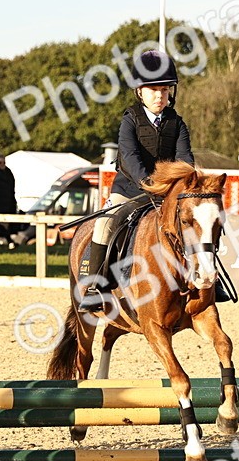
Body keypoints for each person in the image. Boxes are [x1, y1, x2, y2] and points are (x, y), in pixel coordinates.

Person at [78, 49, 194, 311]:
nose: (159, 96)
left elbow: (184, 161)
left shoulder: (178, 124)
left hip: (166, 194)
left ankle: (209, 280)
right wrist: (149, 184)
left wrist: (170, 188)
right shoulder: (130, 120)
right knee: (105, 223)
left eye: (164, 90)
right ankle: (96, 287)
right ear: (140, 91)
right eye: (153, 90)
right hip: (130, 190)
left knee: (197, 225)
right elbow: (129, 158)